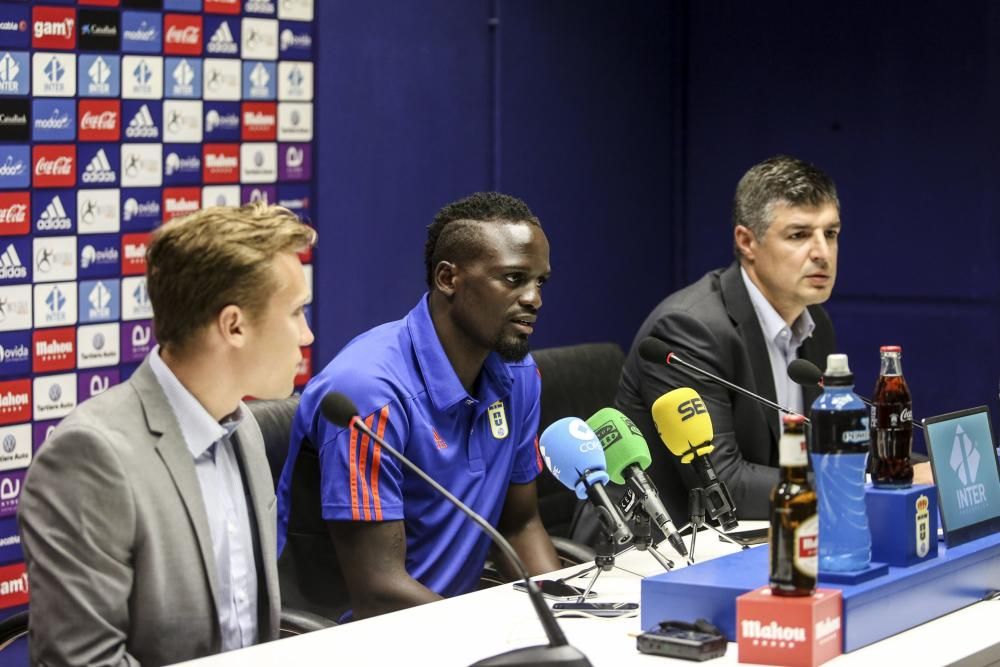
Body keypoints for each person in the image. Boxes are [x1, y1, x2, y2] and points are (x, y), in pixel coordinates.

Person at [19, 203, 316, 666]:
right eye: (297, 312)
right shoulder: (92, 456)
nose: (307, 335)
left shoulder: (245, 432)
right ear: (233, 325)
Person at [278, 191, 560, 620]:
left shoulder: (518, 376)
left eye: (540, 282)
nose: (533, 299)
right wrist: (495, 638)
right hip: (359, 641)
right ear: (448, 278)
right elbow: (379, 592)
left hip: (449, 627)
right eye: (513, 278)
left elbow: (519, 524)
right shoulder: (369, 393)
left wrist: (563, 620)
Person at [616, 155, 839, 522]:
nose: (822, 253)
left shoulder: (815, 323)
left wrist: (902, 471)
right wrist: (858, 487)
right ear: (747, 241)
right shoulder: (689, 329)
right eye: (799, 235)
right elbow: (722, 483)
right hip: (653, 548)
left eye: (830, 233)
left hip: (761, 533)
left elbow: (828, 453)